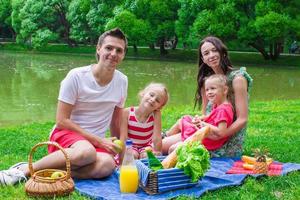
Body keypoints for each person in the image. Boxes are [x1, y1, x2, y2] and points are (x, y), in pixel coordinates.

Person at [0, 28, 128, 186]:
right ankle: (23, 170)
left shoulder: (122, 81)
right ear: (98, 48)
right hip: (67, 135)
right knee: (86, 152)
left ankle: (52, 173)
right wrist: (99, 141)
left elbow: (116, 121)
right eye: (109, 48)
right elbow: (61, 120)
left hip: (96, 144)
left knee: (107, 165)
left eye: (119, 50)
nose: (114, 53)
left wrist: (121, 159)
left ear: (123, 55)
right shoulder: (76, 76)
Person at [162, 36, 252, 157]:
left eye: (214, 50)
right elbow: (206, 114)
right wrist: (200, 120)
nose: (211, 55)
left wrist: (221, 134)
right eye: (206, 53)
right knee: (160, 146)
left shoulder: (237, 79)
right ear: (203, 59)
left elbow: (243, 119)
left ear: (222, 51)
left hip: (224, 140)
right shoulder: (208, 82)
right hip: (205, 132)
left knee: (174, 149)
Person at [165, 74, 234, 154]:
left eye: (213, 88)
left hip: (208, 141)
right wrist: (202, 118)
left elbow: (221, 132)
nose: (209, 92)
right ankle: (168, 136)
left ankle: (167, 136)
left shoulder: (223, 109)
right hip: (207, 136)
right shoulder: (219, 104)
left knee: (182, 123)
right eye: (207, 90)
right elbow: (213, 117)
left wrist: (203, 124)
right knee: (186, 118)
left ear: (225, 90)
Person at [119, 83, 169, 160]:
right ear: (143, 93)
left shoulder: (156, 115)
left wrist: (158, 153)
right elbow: (123, 138)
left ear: (159, 107)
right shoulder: (127, 112)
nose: (153, 100)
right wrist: (121, 160)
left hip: (146, 146)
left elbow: (157, 137)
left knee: (147, 156)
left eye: (157, 100)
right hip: (130, 145)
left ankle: (144, 171)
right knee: (132, 156)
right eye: (151, 95)